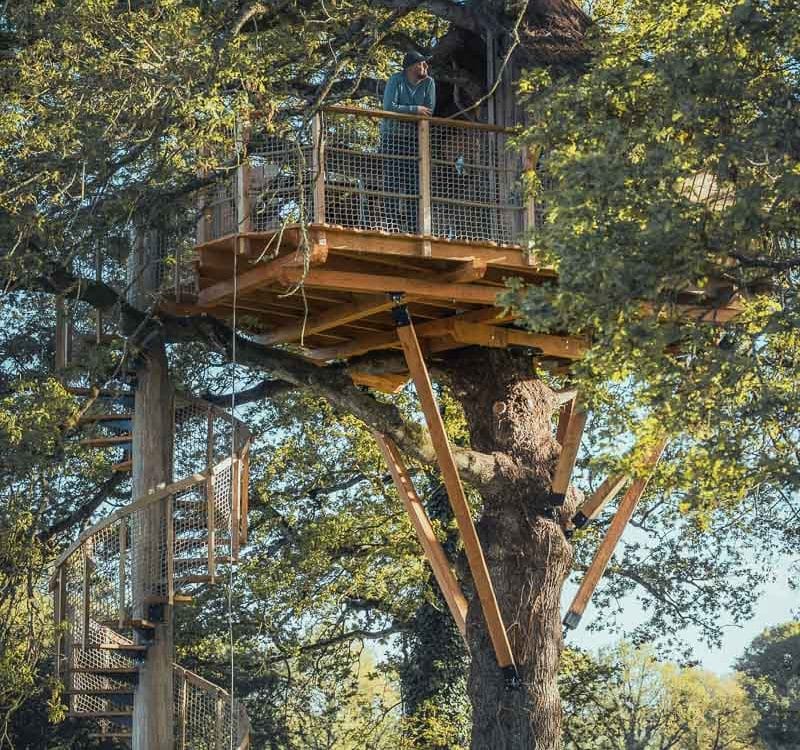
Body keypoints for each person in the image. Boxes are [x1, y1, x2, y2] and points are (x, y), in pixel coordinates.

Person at [380, 52, 436, 233]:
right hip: (392, 137)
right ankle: (390, 224)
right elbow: (389, 107)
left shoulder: (429, 83)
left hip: (415, 138)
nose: (425, 68)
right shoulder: (396, 80)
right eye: (422, 64)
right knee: (393, 181)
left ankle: (414, 227)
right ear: (412, 66)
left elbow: (429, 110)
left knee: (414, 183)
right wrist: (414, 110)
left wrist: (406, 112)